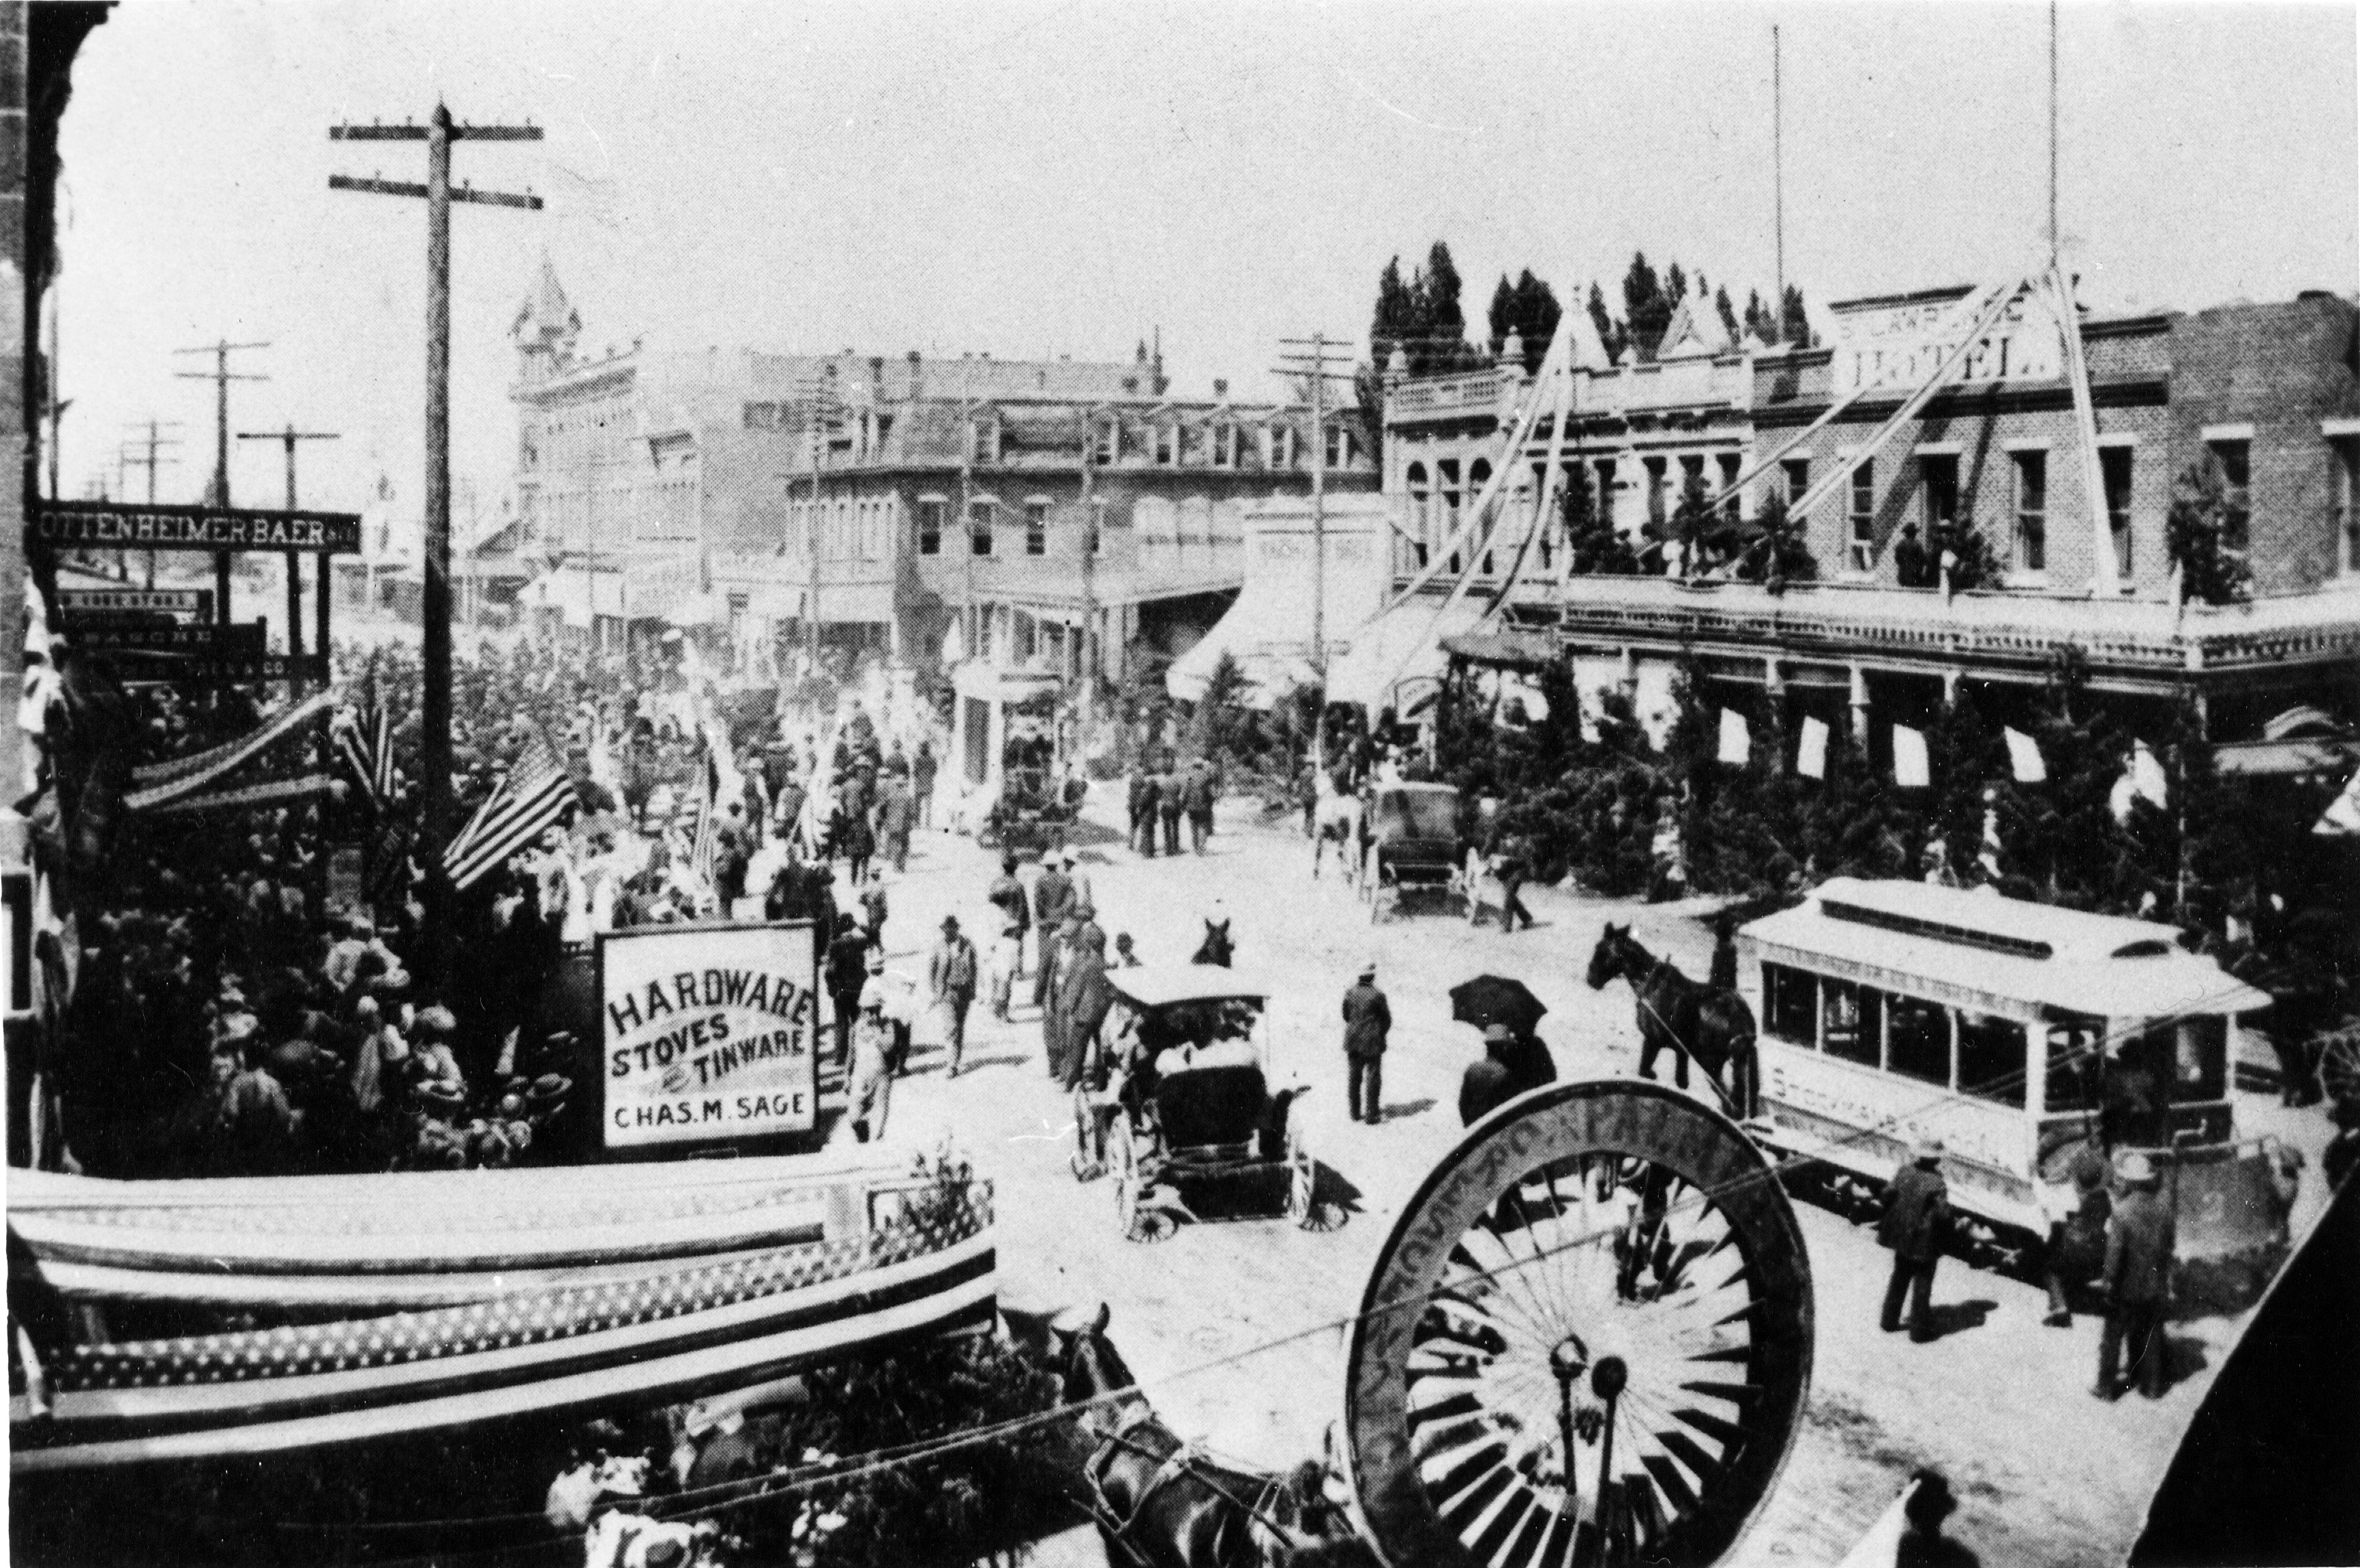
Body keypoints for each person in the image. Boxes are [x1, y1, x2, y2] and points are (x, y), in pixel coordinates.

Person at [2097, 1151, 2177, 1400]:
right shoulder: (2165, 1210)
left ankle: (2106, 1387)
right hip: (2155, 1285)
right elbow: (2170, 1247)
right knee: (2152, 1334)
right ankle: (2151, 1387)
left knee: (2112, 1335)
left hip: (2126, 1287)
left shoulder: (2122, 1212)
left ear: (2131, 1182)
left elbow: (2114, 1255)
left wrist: (2108, 1284)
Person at [1878, 1136, 1951, 1343]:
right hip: (1923, 1242)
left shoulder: (1904, 1171)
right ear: (1937, 1160)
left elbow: (1886, 1194)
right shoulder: (1937, 1182)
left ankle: (1888, 1322)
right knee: (1922, 1285)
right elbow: (1943, 1214)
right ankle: (1918, 1332)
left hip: (1902, 1237)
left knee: (1899, 1277)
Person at [2044, 1142, 2112, 1327]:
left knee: (2051, 1267)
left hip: (2075, 1251)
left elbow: (2057, 1219)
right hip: (2098, 1251)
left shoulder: (2071, 1197)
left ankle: (2060, 1310)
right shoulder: (2105, 1199)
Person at [1060, 928, 1113, 1092]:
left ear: (1089, 944)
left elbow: (1076, 990)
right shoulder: (1105, 965)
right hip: (1102, 1013)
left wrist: (1070, 1007)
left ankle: (1072, 1082)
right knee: (1100, 1049)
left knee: (1077, 1049)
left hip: (1084, 1014)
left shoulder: (1086, 965)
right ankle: (1101, 1082)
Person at [928, 915, 979, 1078]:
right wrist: (936, 991)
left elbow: (974, 968)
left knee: (960, 1026)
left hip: (964, 991)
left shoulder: (967, 945)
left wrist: (973, 989)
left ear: (957, 929)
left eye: (952, 930)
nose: (948, 933)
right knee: (951, 1028)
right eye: (946, 931)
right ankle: (951, 1065)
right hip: (947, 992)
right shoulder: (939, 947)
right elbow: (932, 970)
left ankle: (956, 1060)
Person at [1342, 960, 1391, 1126]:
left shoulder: (1350, 992)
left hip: (1353, 1040)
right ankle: (1371, 1115)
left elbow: (1345, 1015)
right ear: (1372, 977)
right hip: (1371, 1041)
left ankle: (1355, 1113)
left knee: (1354, 1077)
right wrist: (1379, 1033)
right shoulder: (1378, 995)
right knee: (1373, 1078)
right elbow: (1387, 1020)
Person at [846, 986, 894, 1144]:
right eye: (868, 1011)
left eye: (875, 1011)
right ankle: (863, 1132)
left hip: (881, 1076)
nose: (871, 1015)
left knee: (879, 1121)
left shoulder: (887, 1025)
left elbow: (889, 1048)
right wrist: (846, 1075)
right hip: (860, 1074)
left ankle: (874, 1143)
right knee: (854, 1115)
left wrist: (878, 1031)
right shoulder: (857, 1027)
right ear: (863, 1011)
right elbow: (851, 1053)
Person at [1030, 852, 1076, 1010]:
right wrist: (1059, 914)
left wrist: (1046, 915)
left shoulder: (1040, 881)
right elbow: (1071, 902)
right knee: (1058, 958)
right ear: (1057, 865)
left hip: (1045, 925)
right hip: (1059, 924)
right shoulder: (1066, 880)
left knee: (1043, 959)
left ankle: (1039, 996)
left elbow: (1038, 903)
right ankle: (1054, 995)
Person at [824, 923, 872, 1068]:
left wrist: (832, 989)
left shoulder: (835, 945)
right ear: (851, 928)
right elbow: (871, 937)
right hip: (858, 989)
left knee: (841, 1023)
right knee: (859, 1021)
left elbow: (830, 971)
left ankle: (841, 1057)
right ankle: (860, 1053)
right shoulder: (859, 942)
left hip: (842, 991)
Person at [1458, 1023, 1519, 1126]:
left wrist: (1470, 1126)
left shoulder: (1472, 1069)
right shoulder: (1505, 1074)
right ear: (1504, 1048)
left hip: (1474, 1129)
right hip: (1494, 1130)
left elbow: (1463, 1105)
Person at [1492, 830, 1535, 933]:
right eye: (1506, 838)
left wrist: (1508, 859)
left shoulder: (1523, 844)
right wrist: (1496, 862)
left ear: (1515, 837)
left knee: (1508, 898)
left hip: (1519, 873)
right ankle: (1527, 919)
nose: (1507, 841)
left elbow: (1523, 861)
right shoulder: (1504, 844)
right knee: (1512, 899)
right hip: (1507, 875)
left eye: (1510, 838)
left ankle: (1506, 927)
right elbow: (1501, 859)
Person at [874, 769, 915, 874]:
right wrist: (912, 822)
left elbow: (882, 808)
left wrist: (884, 818)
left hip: (892, 824)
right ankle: (902, 866)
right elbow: (912, 812)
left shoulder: (890, 796)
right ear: (904, 785)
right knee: (904, 845)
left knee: (894, 844)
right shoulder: (908, 796)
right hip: (904, 825)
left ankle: (896, 866)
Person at [1182, 762, 1216, 854]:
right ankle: (1201, 848)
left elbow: (1184, 793)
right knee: (1203, 826)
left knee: (1194, 827)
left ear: (1194, 767)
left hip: (1191, 807)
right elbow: (1213, 794)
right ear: (1202, 767)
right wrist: (1210, 802)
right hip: (1204, 806)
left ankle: (1196, 847)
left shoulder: (1189, 778)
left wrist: (1183, 804)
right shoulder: (1207, 777)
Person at [1156, 767, 1184, 857]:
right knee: (1175, 827)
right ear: (1172, 772)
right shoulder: (1176, 782)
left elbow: (1159, 795)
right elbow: (1179, 792)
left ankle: (1168, 849)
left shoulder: (1161, 783)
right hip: (1175, 805)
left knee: (1167, 828)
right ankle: (1176, 848)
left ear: (1165, 773)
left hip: (1165, 807)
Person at [1893, 522, 1930, 589]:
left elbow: (1897, 559)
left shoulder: (1900, 545)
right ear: (1914, 534)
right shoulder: (1917, 545)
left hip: (1903, 574)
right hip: (1915, 575)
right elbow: (1923, 560)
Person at [1709, 912, 1739, 990]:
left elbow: (1716, 972)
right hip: (1728, 987)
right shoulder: (1731, 949)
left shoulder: (1720, 950)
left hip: (1720, 987)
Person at [912, 739, 938, 829]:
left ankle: (917, 823)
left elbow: (914, 772)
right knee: (928, 806)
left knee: (917, 806)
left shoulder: (917, 759)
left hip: (919, 785)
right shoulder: (933, 759)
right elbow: (935, 771)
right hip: (929, 785)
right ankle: (928, 824)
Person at [1126, 766, 1152, 855]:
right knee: (1142, 826)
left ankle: (1130, 844)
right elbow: (1143, 796)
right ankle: (1142, 846)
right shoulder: (1142, 783)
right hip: (1139, 806)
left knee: (1133, 825)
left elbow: (1130, 795)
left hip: (1132, 805)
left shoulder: (1132, 782)